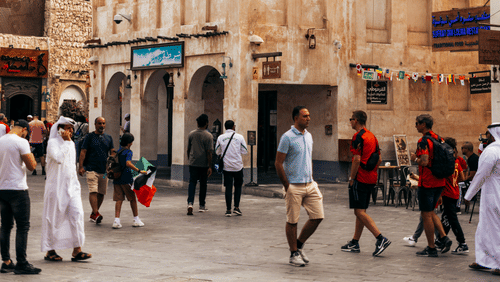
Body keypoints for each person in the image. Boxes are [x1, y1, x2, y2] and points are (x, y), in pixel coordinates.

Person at [275, 106, 324, 267]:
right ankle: (293, 253)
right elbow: (278, 162)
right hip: (293, 186)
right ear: (296, 118)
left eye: (309, 116)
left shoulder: (308, 135)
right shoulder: (287, 137)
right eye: (305, 116)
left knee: (317, 216)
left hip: (310, 184)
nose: (308, 118)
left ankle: (299, 245)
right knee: (292, 221)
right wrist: (286, 185)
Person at [41, 117, 91, 262]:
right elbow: (58, 158)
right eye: (67, 128)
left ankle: (77, 249)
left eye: (71, 128)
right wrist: (66, 142)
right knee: (53, 217)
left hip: (71, 187)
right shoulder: (52, 143)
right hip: (55, 187)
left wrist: (68, 143)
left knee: (77, 214)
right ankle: (50, 250)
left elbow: (70, 166)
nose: (70, 131)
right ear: (60, 129)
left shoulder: (71, 144)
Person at [341, 110, 391, 257]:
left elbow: (356, 159)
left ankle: (380, 238)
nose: (350, 121)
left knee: (359, 211)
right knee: (361, 211)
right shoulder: (372, 136)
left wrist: (351, 178)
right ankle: (355, 242)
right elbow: (379, 159)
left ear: (356, 120)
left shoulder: (358, 137)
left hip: (360, 178)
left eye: (351, 119)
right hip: (371, 178)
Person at [0, 120, 41, 274]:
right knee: (22, 226)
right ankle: (21, 263)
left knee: (5, 226)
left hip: (2, 188)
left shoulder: (0, 141)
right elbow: (31, 166)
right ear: (24, 129)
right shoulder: (21, 142)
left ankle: (6, 261)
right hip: (18, 189)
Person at [410, 114, 452, 257]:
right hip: (440, 180)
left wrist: (415, 158)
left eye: (417, 123)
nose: (415, 126)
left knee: (426, 214)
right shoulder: (439, 138)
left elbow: (424, 161)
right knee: (432, 211)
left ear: (423, 124)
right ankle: (444, 237)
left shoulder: (423, 141)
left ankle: (431, 247)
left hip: (427, 182)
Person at [465, 123, 500, 275]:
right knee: (485, 229)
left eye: (487, 135)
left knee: (493, 229)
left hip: (492, 193)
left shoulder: (492, 151)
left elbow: (481, 174)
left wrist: (468, 195)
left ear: (492, 135)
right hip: (495, 191)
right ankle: (485, 261)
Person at [79, 117, 115, 224]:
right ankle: (96, 213)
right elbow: (83, 152)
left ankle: (94, 213)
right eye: (99, 123)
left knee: (101, 193)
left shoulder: (109, 138)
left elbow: (112, 151)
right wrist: (81, 167)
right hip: (91, 169)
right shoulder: (89, 137)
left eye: (103, 123)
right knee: (93, 190)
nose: (102, 125)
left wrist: (111, 160)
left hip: (104, 172)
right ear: (95, 124)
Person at [112, 133, 147, 229]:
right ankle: (136, 219)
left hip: (116, 178)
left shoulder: (118, 151)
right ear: (130, 143)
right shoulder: (128, 152)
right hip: (126, 178)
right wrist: (139, 171)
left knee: (119, 199)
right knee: (132, 199)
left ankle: (116, 220)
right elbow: (128, 163)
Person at [440, 137, 468, 254]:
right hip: (455, 191)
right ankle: (440, 240)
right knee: (446, 217)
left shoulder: (446, 161)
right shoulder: (456, 162)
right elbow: (462, 177)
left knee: (452, 219)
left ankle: (462, 243)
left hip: (448, 193)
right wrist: (454, 182)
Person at [215, 120, 248, 217]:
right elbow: (245, 151)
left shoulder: (221, 137)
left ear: (225, 127)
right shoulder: (240, 137)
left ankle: (228, 209)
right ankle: (236, 208)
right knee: (238, 187)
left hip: (227, 166)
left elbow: (217, 151)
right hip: (238, 166)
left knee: (228, 187)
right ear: (233, 127)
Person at [186, 114, 213, 215]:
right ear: (206, 123)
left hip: (193, 163)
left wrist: (190, 159)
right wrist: (210, 166)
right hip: (204, 164)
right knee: (203, 184)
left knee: (192, 183)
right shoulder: (209, 136)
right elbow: (209, 152)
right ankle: (202, 205)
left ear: (197, 123)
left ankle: (190, 203)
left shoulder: (191, 134)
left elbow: (188, 149)